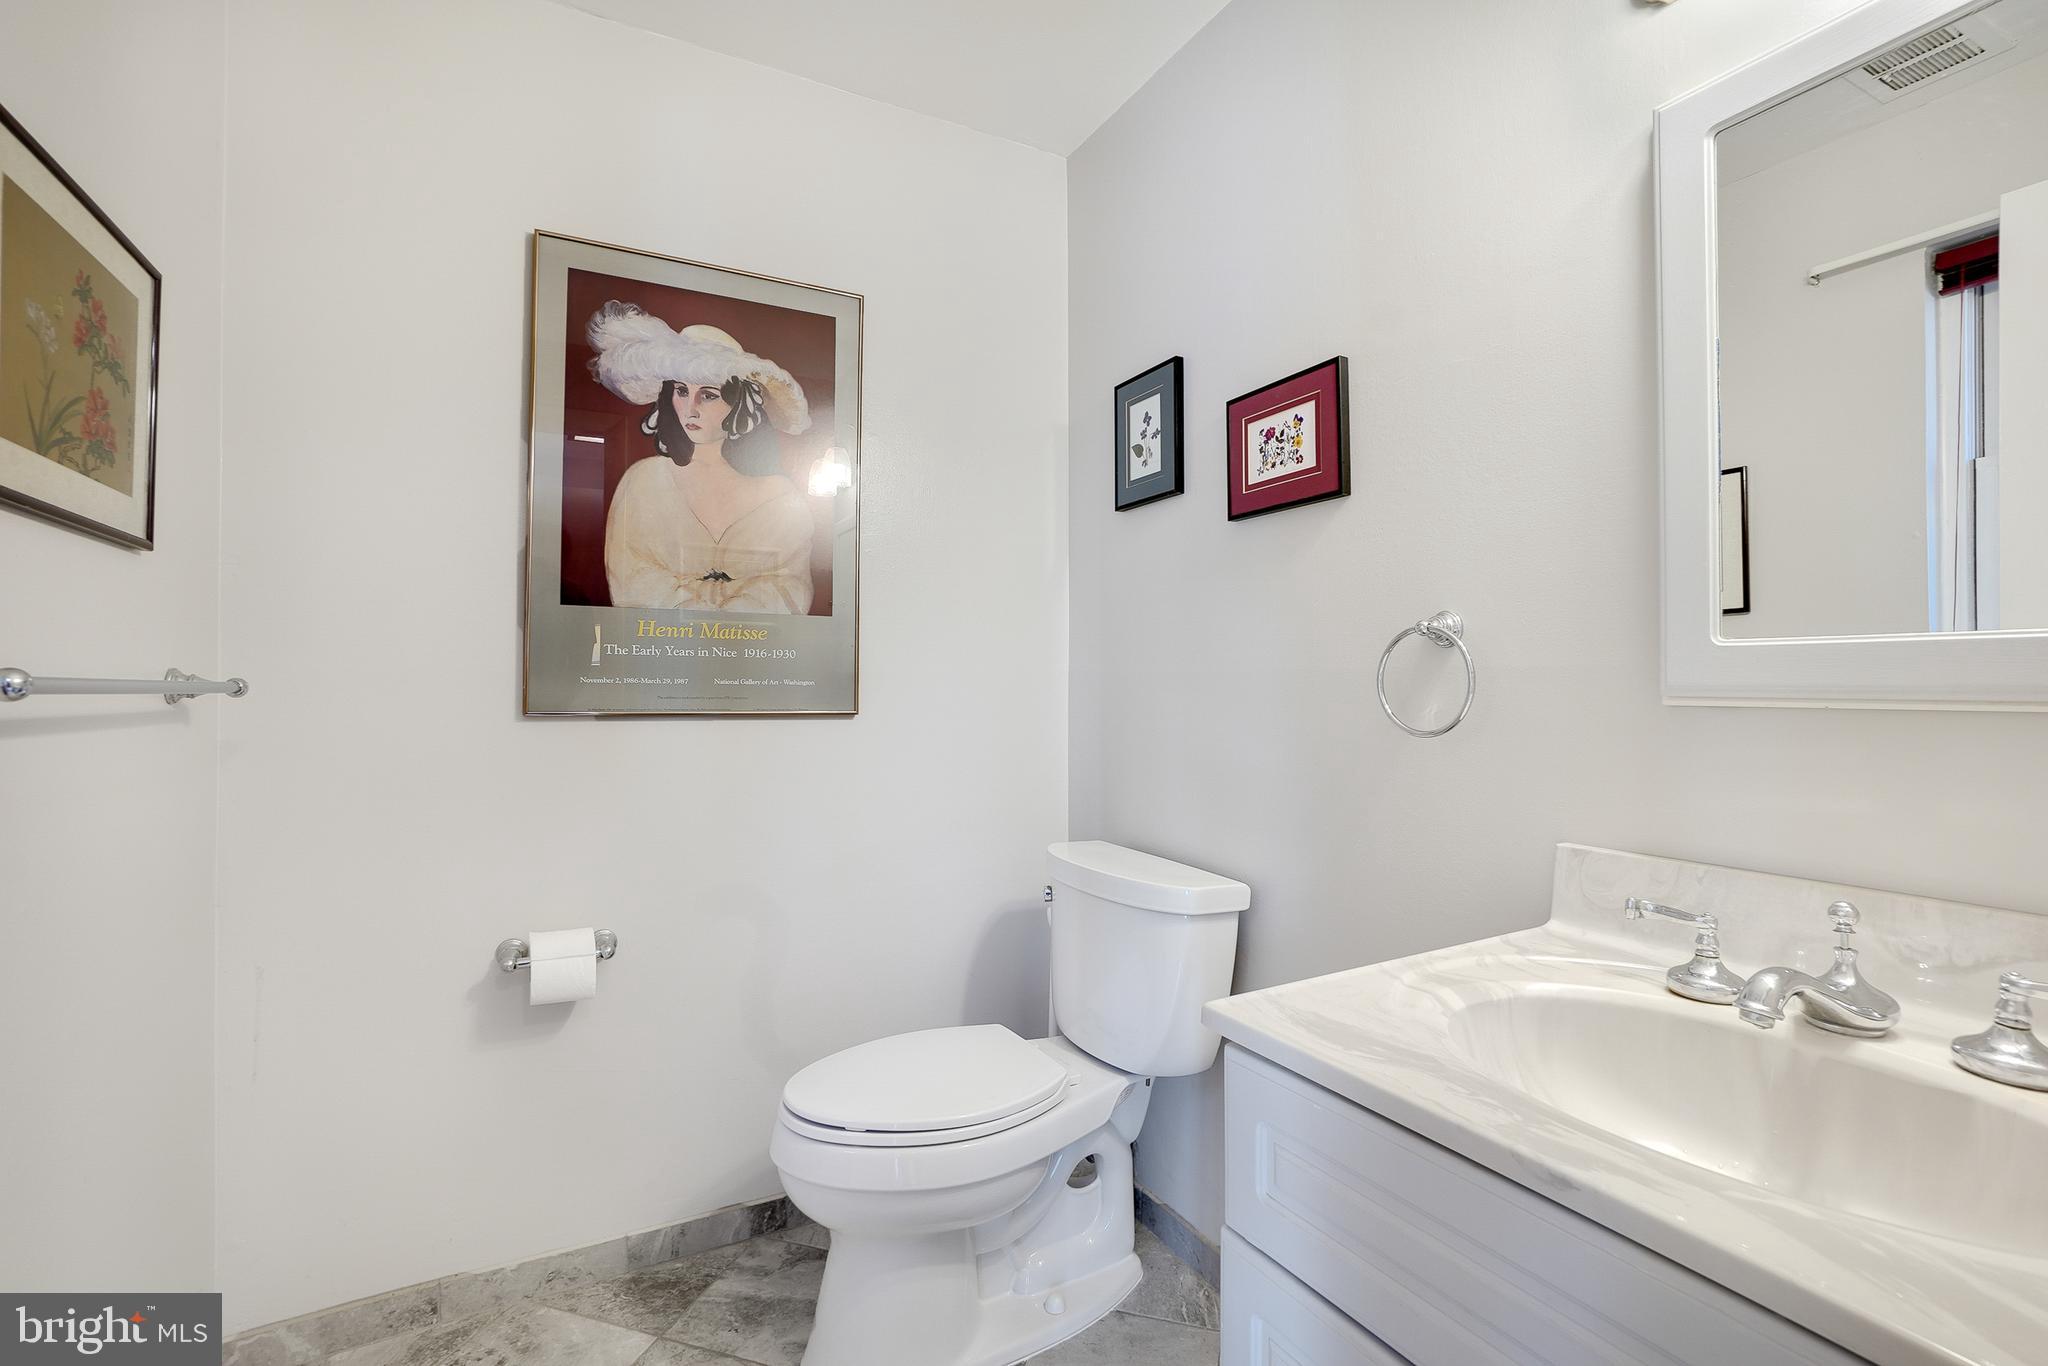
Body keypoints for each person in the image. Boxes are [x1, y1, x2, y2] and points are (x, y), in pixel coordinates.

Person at [588, 301, 815, 613]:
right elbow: (632, 575)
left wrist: (732, 623)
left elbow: (789, 587)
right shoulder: (643, 481)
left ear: (738, 403)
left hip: (752, 654)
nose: (691, 408)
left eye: (708, 395)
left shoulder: (782, 496)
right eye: (681, 391)